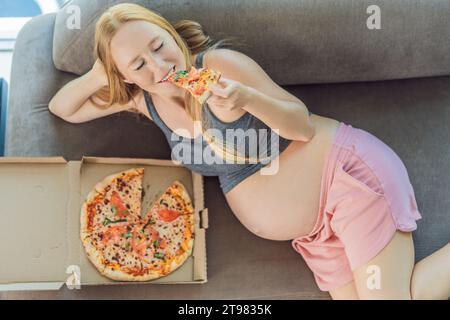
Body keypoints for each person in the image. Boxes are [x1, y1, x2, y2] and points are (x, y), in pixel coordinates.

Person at [49, 3, 449, 299]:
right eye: (138, 64)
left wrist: (245, 100)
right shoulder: (144, 100)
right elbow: (63, 108)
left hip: (347, 178)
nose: (159, 66)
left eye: (159, 46)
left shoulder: (221, 65)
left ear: (172, 35)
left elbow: (301, 125)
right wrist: (100, 73)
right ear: (125, 76)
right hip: (317, 233)